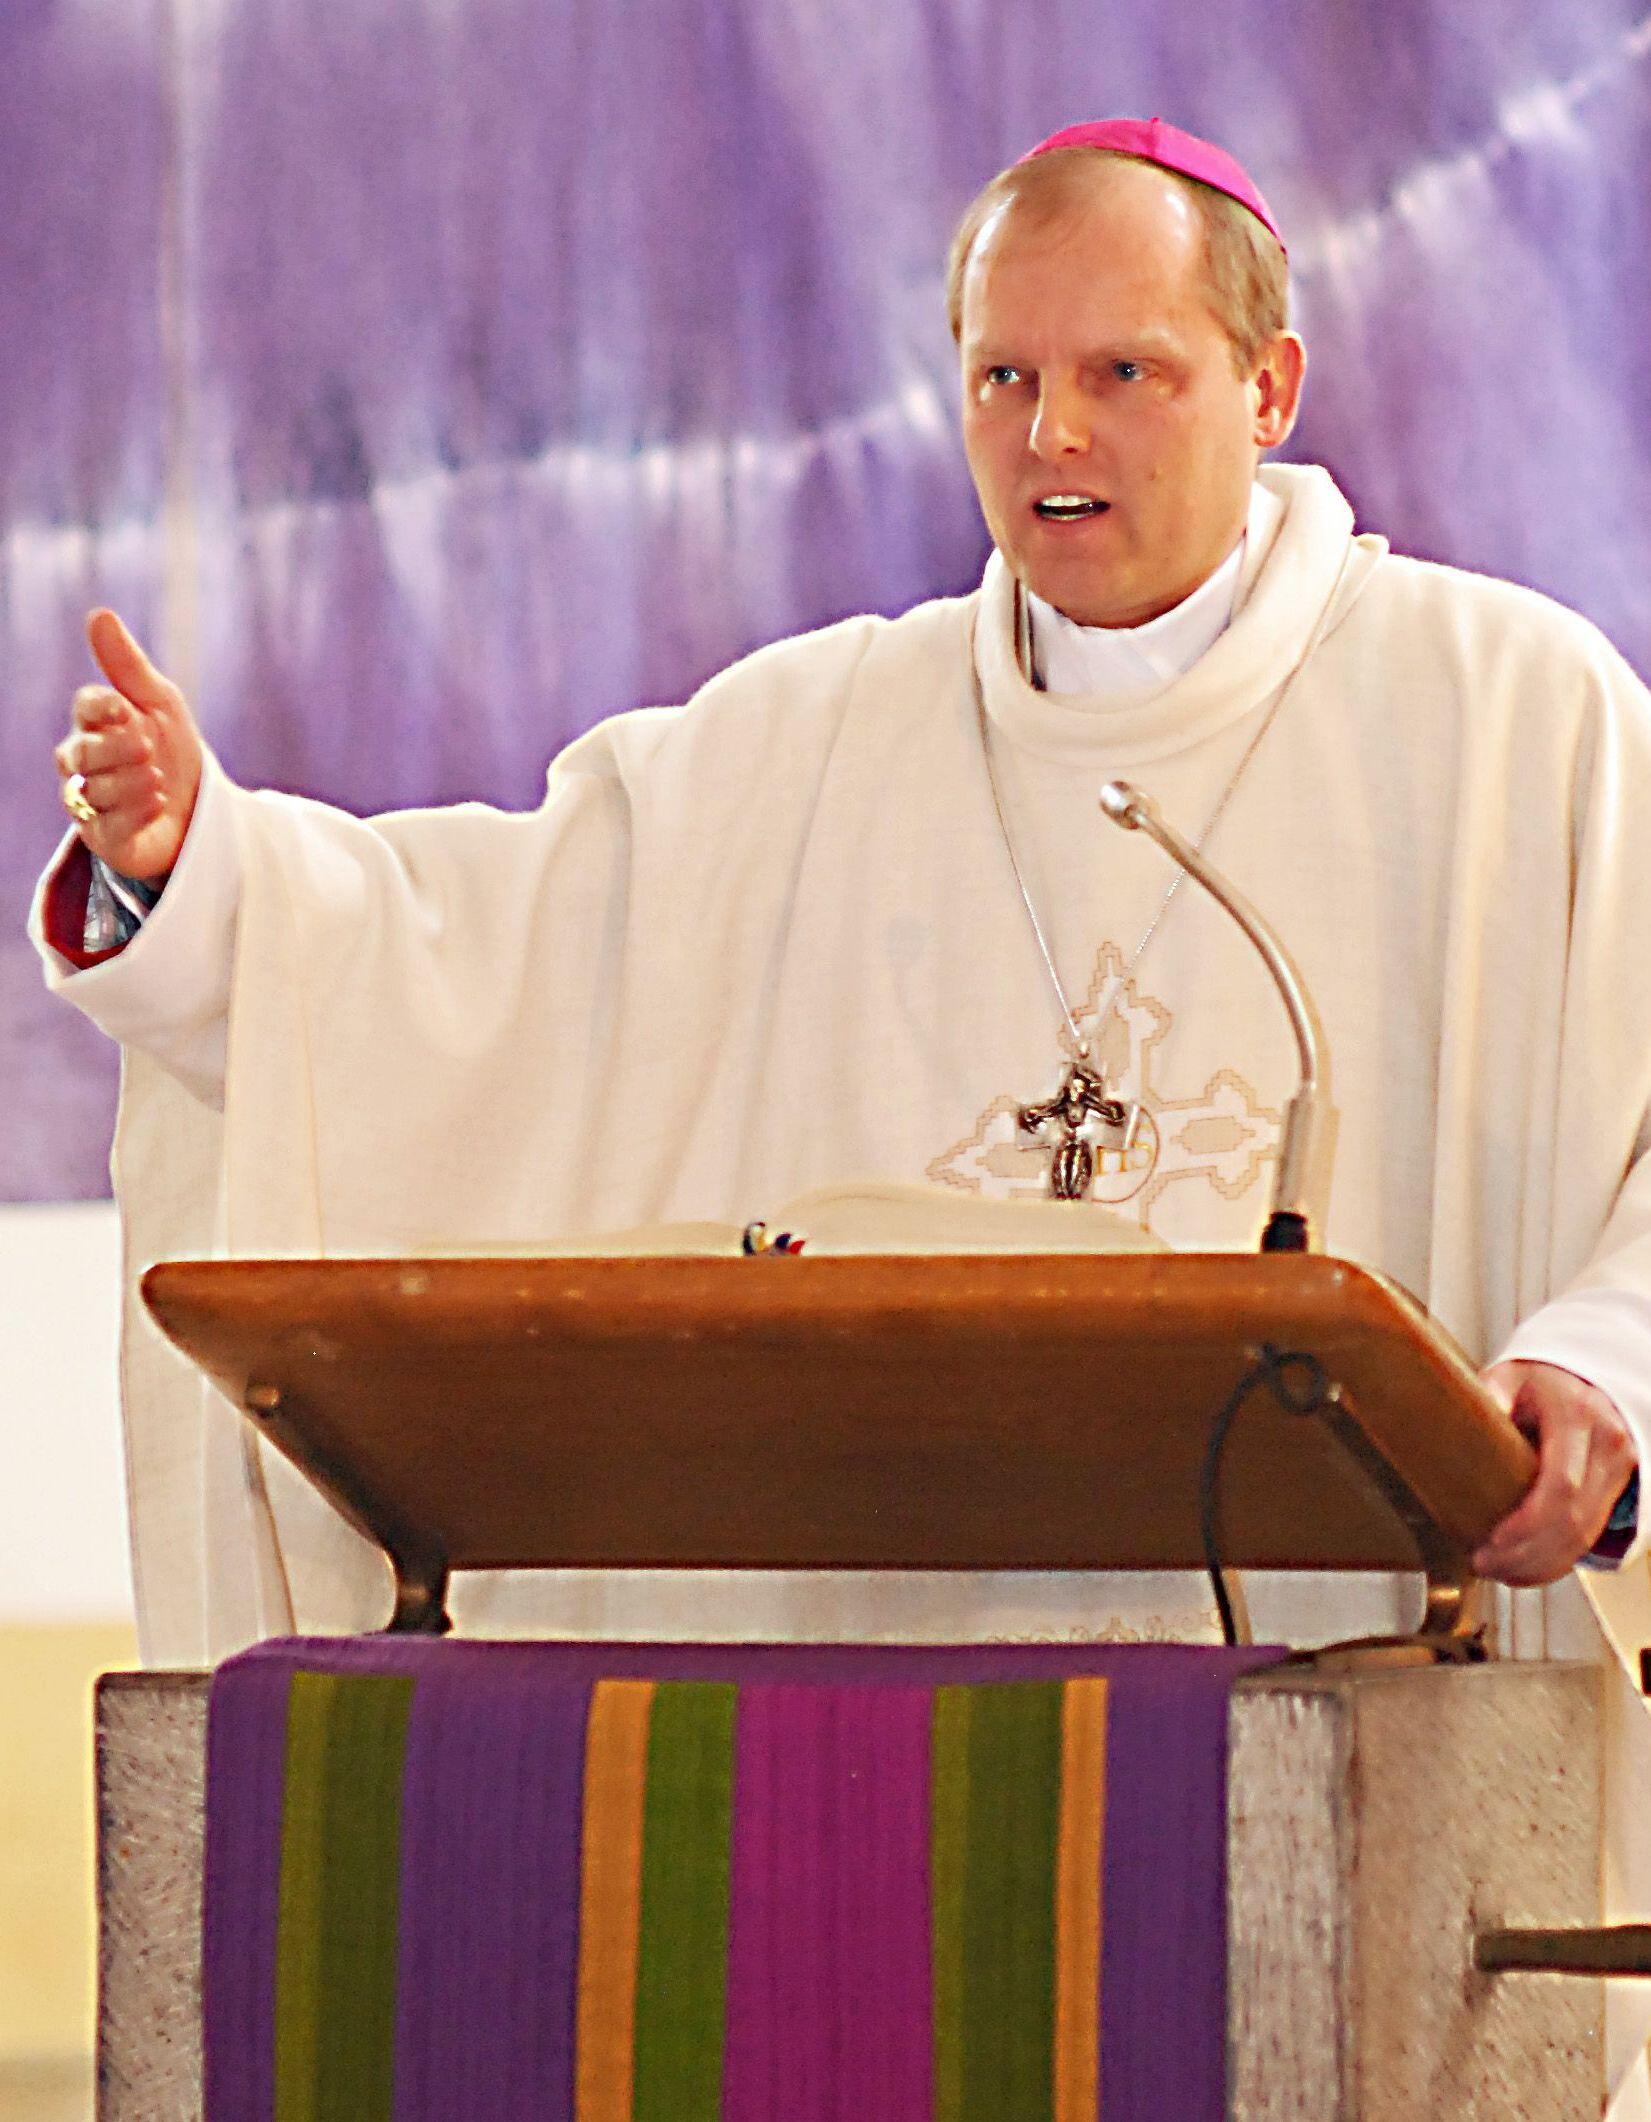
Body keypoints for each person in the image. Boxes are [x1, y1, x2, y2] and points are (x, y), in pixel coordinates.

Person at [33, 116, 1651, 1651]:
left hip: (1370, 1716)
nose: (1053, 434)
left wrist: (1602, 1361)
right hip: (918, 1727)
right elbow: (486, 956)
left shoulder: (1515, 716)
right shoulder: (820, 738)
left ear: (1270, 386)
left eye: (1125, 373)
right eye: (1002, 376)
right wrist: (206, 876)